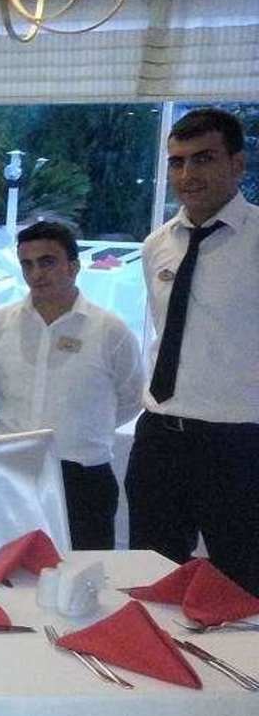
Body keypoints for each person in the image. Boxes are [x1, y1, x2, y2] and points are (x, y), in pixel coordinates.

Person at [126, 107, 259, 595]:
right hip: (160, 436)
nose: (187, 175)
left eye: (203, 158)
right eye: (177, 162)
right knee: (150, 578)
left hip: (238, 443)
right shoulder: (156, 245)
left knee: (242, 587)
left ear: (237, 164)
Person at [0, 221, 143, 550]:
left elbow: (132, 396)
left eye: (47, 262)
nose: (36, 273)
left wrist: (84, 430)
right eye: (27, 264)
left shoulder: (109, 330)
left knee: (84, 575)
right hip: (12, 474)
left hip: (82, 477)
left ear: (73, 266)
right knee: (8, 573)